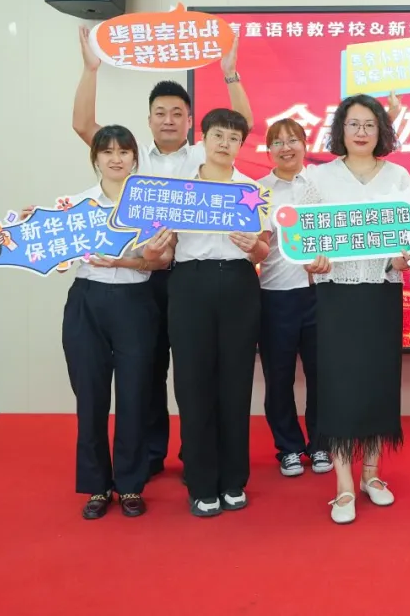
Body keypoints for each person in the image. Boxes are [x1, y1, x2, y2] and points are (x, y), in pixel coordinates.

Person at [72, 27, 253, 478]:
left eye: (177, 113)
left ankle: (197, 454)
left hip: (192, 276)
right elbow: (84, 127)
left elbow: (241, 125)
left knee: (197, 370)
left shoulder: (202, 155)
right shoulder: (135, 158)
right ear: (149, 119)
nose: (169, 120)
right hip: (144, 277)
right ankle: (150, 455)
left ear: (191, 121)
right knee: (148, 369)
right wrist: (91, 69)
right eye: (160, 113)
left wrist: (230, 75)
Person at [34, 127, 173, 518]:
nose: (116, 158)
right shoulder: (77, 205)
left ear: (134, 159)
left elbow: (162, 261)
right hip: (87, 301)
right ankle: (97, 486)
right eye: (107, 151)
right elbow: (56, 257)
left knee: (135, 395)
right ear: (95, 157)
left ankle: (129, 485)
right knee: (91, 396)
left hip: (135, 302)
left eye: (124, 151)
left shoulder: (149, 206)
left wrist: (135, 259)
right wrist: (34, 230)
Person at [308, 95, 410, 525]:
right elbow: (305, 237)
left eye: (370, 124)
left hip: (381, 292)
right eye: (353, 123)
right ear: (340, 128)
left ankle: (371, 474)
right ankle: (343, 485)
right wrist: (310, 260)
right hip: (336, 295)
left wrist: (405, 257)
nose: (361, 132)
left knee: (377, 380)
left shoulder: (399, 177)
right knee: (339, 385)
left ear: (381, 131)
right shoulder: (319, 178)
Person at [168, 108, 270, 517]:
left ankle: (233, 479)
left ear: (241, 145)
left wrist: (255, 247)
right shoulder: (179, 189)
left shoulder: (252, 190)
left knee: (235, 382)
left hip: (238, 284)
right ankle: (200, 481)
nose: (224, 144)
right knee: (192, 383)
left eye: (233, 138)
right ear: (203, 138)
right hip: (189, 283)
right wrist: (156, 245)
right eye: (218, 135)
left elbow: (264, 251)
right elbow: (162, 246)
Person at [256, 119, 332, 478]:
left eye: (292, 140)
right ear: (268, 150)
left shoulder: (322, 182)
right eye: (278, 142)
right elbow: (258, 245)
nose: (286, 148)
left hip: (321, 293)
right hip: (276, 296)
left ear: (305, 144)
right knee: (279, 377)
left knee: (322, 375)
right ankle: (288, 447)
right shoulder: (259, 191)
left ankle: (321, 444)